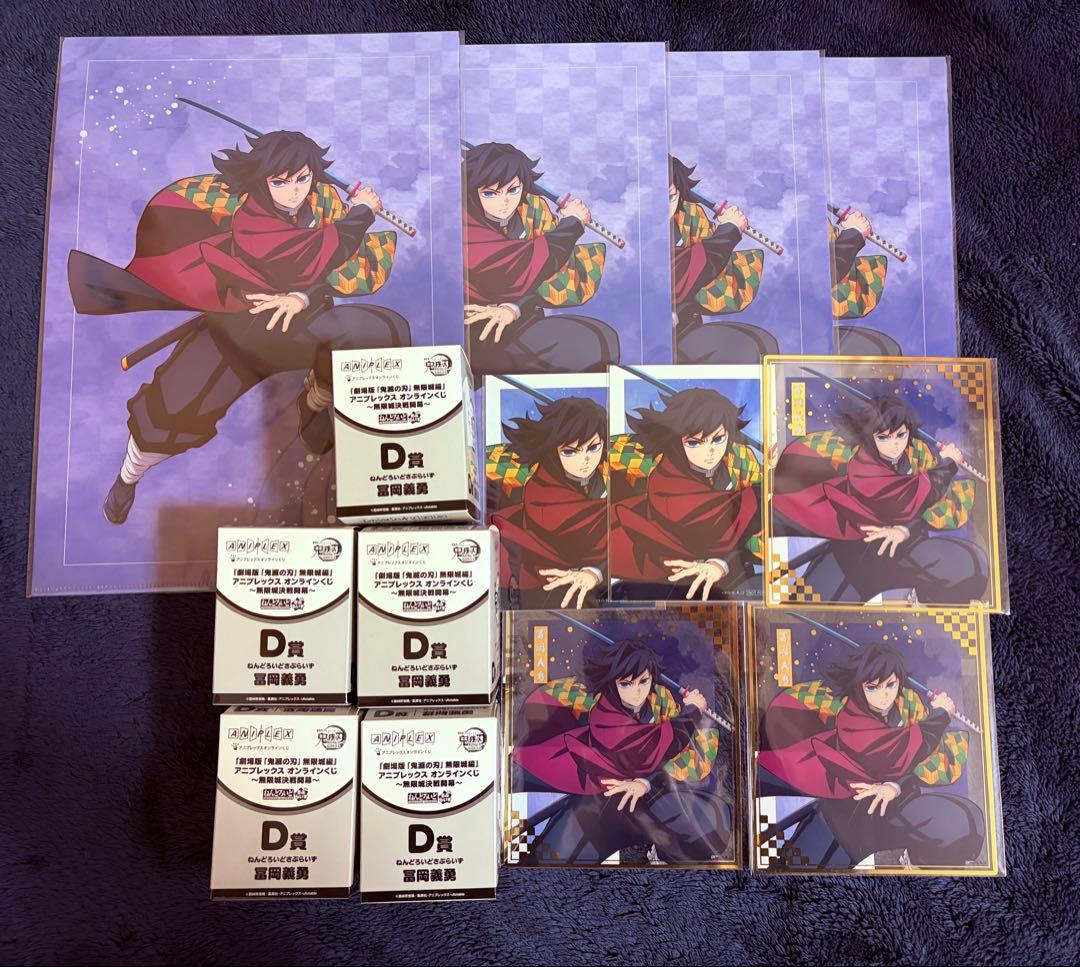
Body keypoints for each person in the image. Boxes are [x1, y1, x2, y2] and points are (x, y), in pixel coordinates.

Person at [67, 129, 409, 524]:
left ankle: (315, 403)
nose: (294, 191)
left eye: (302, 179)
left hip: (299, 325)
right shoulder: (251, 220)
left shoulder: (323, 204)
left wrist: (300, 297)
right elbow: (311, 257)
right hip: (238, 334)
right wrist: (363, 212)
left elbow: (325, 271)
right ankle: (128, 478)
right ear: (263, 181)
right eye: (280, 182)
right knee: (171, 411)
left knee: (380, 330)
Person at [758, 643, 984, 869]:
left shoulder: (907, 705)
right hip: (849, 810)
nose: (884, 695)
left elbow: (914, 763)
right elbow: (898, 751)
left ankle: (922, 870)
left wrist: (894, 786)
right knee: (801, 866)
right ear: (860, 687)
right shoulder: (852, 718)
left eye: (891, 685)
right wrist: (941, 714)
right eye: (873, 688)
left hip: (892, 803)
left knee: (966, 819)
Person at [513, 637, 730, 865]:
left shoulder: (660, 700)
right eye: (626, 684)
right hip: (597, 794)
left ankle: (662, 855)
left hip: (645, 797)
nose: (637, 692)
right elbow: (649, 747)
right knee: (553, 856)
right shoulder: (604, 710)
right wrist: (692, 711)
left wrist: (645, 782)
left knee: (715, 821)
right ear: (614, 682)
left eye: (644, 681)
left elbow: (689, 764)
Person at [771, 394, 988, 605]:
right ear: (871, 437)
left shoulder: (917, 454)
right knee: (812, 603)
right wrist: (947, 464)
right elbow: (907, 498)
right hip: (855, 554)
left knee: (971, 562)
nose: (894, 445)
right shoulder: (863, 464)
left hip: (903, 550)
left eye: (901, 435)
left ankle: (926, 604)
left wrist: (904, 530)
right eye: (883, 437)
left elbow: (927, 504)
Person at [462, 142, 619, 375]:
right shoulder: (466, 227)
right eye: (490, 193)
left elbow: (546, 276)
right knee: (589, 347)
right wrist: (573, 223)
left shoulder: (531, 210)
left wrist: (514, 308)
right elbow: (526, 265)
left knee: (603, 338)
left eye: (512, 190)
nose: (504, 202)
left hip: (521, 320)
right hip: (479, 334)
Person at [609, 387, 761, 601]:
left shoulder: (741, 460)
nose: (709, 451)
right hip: (664, 574)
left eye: (718, 439)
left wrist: (721, 564)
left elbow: (755, 528)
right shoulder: (662, 473)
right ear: (679, 439)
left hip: (727, 578)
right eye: (694, 443)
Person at [490, 396, 608, 609]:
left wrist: (595, 573)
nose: (585, 460)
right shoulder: (541, 493)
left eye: (593, 448)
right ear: (553, 450)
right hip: (543, 593)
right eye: (570, 452)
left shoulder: (604, 484)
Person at [668, 155, 777, 364]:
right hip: (651, 337)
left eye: (671, 197)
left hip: (685, 327)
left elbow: (711, 272)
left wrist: (725, 229)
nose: (665, 207)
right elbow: (684, 270)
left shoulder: (687, 217)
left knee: (760, 344)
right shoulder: (641, 235)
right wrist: (730, 229)